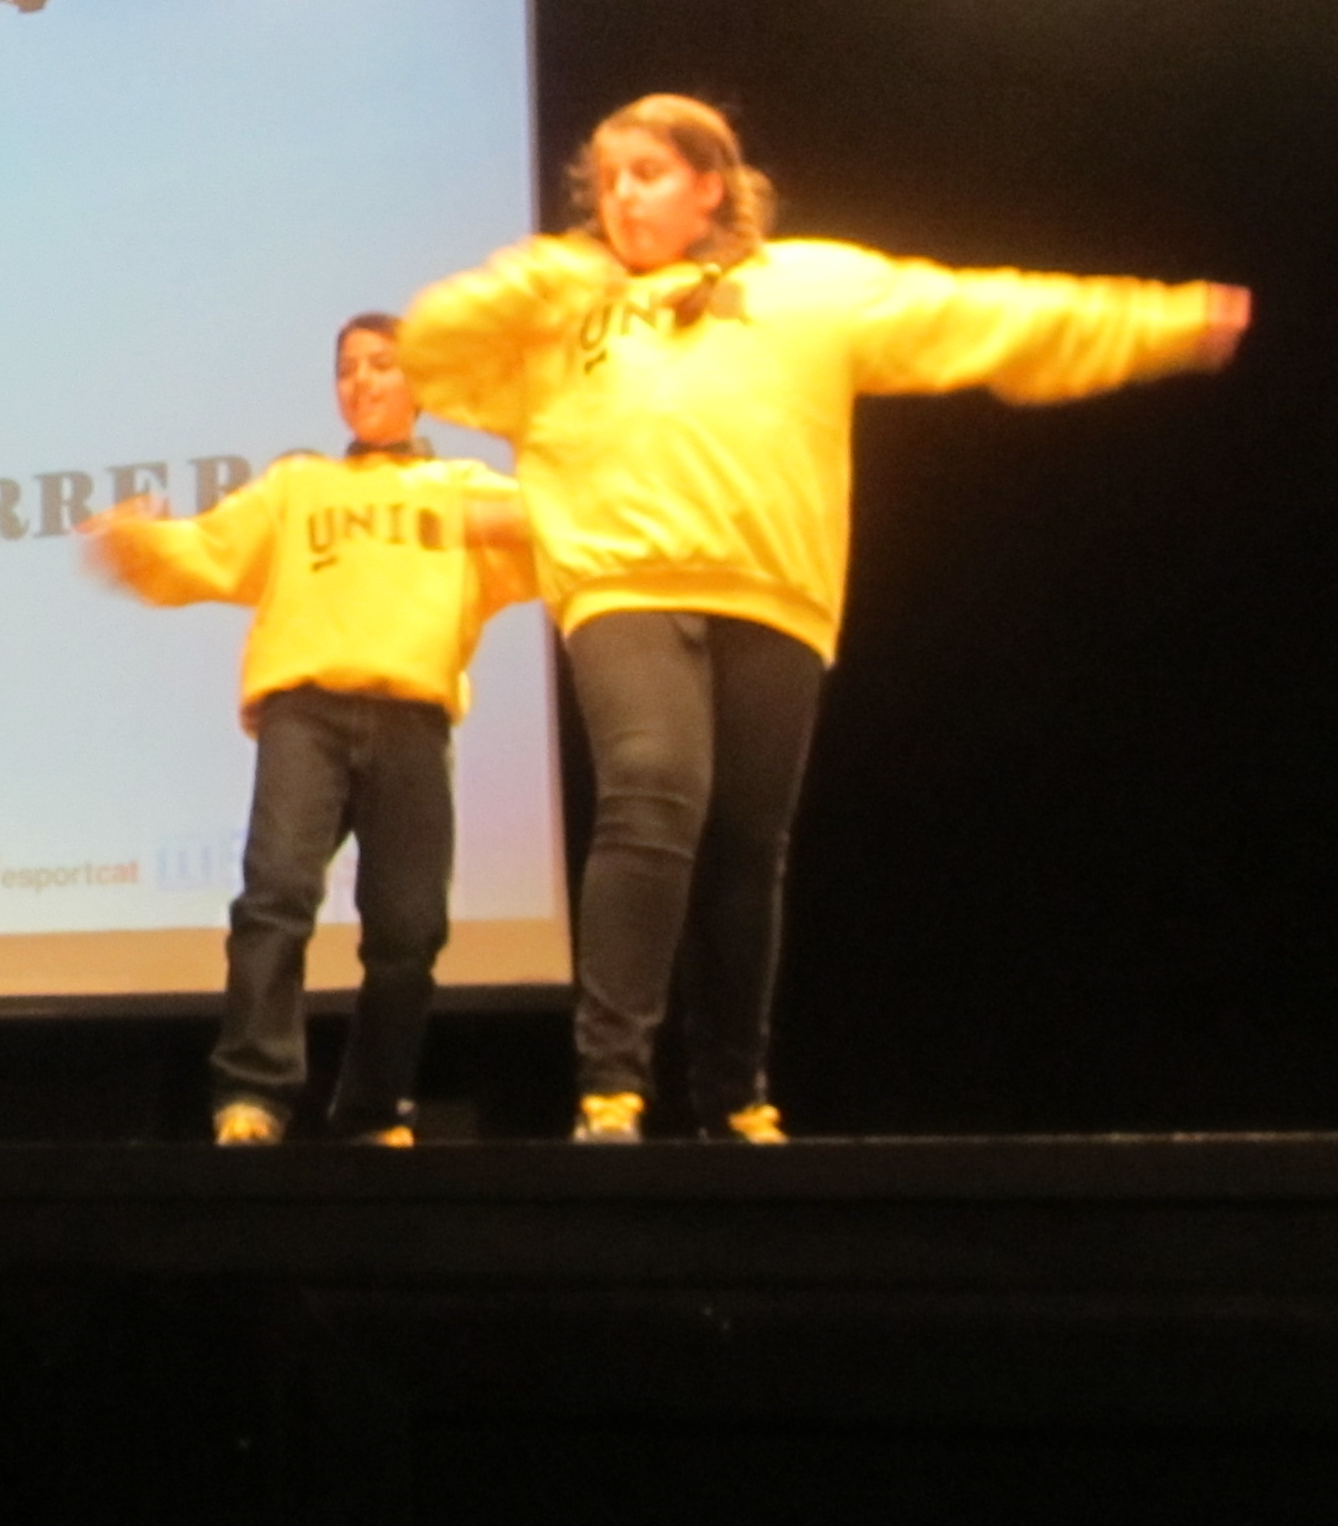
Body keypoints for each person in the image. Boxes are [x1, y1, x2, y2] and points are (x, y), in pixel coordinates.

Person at [399, 94, 1248, 1146]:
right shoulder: (564, 308)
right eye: (606, 180)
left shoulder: (809, 286)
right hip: (624, 584)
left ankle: (735, 1097)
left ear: (710, 185)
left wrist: (1165, 323)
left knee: (746, 842)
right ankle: (611, 1090)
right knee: (653, 788)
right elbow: (432, 354)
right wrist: (548, 275)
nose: (621, 197)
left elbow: (983, 315)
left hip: (775, 591)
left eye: (647, 173)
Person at [91, 315, 532, 1148]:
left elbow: (568, 527)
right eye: (347, 368)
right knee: (276, 897)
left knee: (409, 932)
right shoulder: (298, 487)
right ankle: (252, 1094)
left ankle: (373, 1107)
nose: (361, 381)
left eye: (382, 364)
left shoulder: (462, 489)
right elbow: (207, 548)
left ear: (420, 383)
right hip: (306, 716)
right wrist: (137, 543)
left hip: (411, 720)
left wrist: (534, 508)